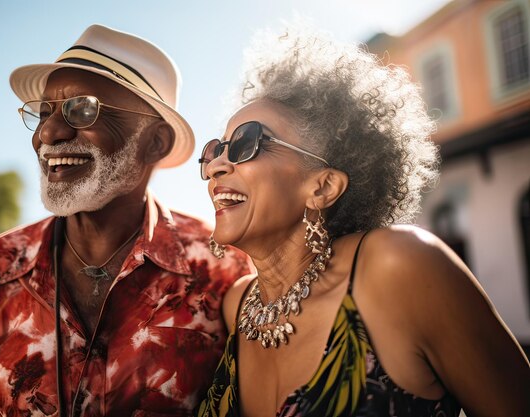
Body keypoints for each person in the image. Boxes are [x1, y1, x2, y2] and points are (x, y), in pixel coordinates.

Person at [196, 24, 530, 417]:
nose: (217, 165)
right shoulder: (235, 305)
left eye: (245, 143)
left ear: (322, 187)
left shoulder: (397, 266)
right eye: (216, 150)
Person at [0, 25, 251, 417]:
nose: (48, 132)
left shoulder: (223, 271)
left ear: (156, 142)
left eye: (83, 109)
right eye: (43, 112)